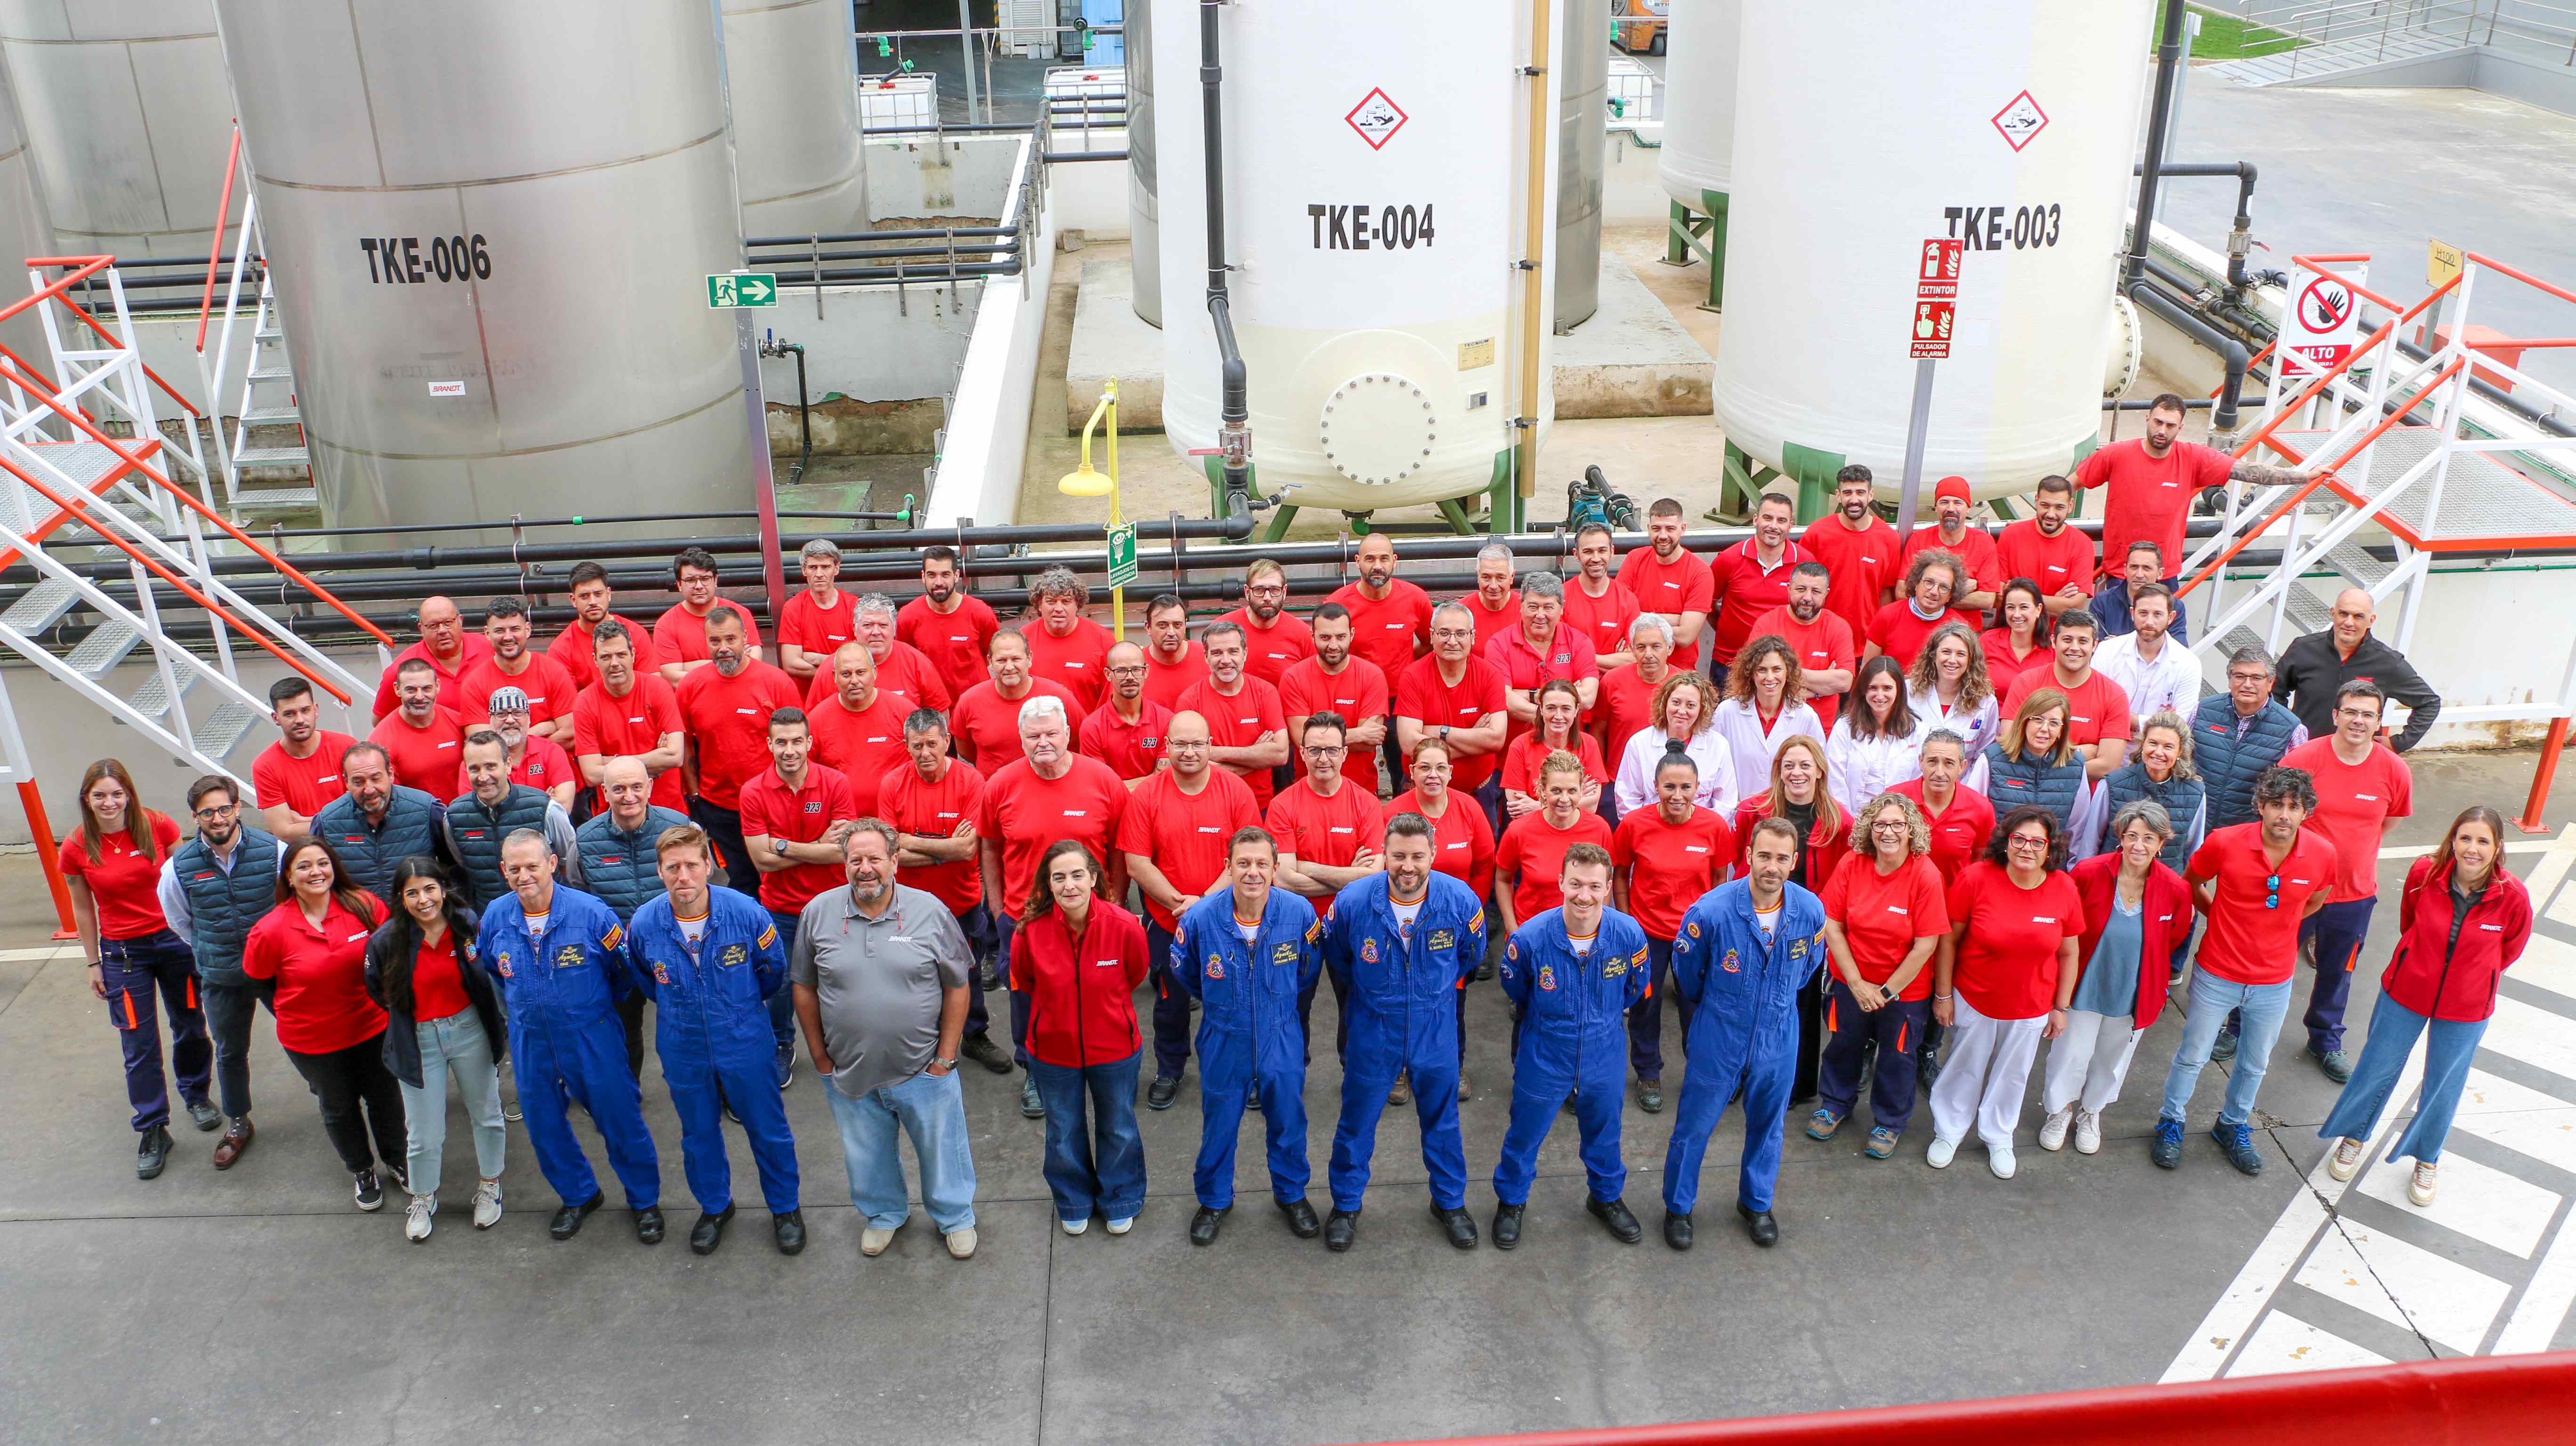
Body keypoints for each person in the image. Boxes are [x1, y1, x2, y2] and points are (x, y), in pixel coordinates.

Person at [2319, 806, 2532, 1205]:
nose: (2472, 849)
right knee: (2376, 1068)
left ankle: (2426, 1158)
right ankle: (2354, 1136)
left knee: (2443, 1085)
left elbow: (2509, 950)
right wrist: (2422, 962)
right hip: (2406, 990)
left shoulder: (2513, 898)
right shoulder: (2424, 874)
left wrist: (2473, 976)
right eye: (2465, 838)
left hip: (2467, 1007)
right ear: (2453, 840)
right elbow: (2410, 922)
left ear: (2498, 848)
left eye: (2483, 841)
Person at [795, 819, 979, 1260]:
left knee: (942, 1150)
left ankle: (955, 1217)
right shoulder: (818, 912)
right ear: (844, 864)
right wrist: (820, 1056)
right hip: (849, 1070)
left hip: (922, 1069)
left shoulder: (930, 910)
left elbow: (958, 984)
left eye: (875, 858)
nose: (865, 869)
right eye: (855, 859)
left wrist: (947, 1059)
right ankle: (883, 1215)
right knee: (866, 1154)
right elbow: (803, 985)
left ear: (895, 862)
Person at [482, 829, 665, 1242]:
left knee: (619, 1119)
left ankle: (644, 1201)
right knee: (544, 1125)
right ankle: (579, 1194)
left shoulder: (592, 913)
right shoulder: (496, 916)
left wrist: (590, 1012)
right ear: (504, 872)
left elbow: (623, 975)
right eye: (515, 869)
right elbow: (495, 970)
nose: (524, 875)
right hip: (530, 1038)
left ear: (552, 864)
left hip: (591, 1034)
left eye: (532, 865)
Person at [2152, 766, 2335, 1175]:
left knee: (2255, 1063)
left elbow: (2316, 899)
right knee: (2193, 1055)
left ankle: (2232, 1125)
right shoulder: (2224, 843)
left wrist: (2280, 927)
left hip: (2274, 981)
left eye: (2294, 807)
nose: (2284, 815)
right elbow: (2192, 882)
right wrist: (2218, 916)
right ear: (2261, 807)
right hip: (2217, 974)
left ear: (2307, 812)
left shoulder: (2323, 854)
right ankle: (2171, 1121)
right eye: (2276, 806)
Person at [629, 823, 802, 1256]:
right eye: (673, 868)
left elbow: (773, 973)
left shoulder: (747, 914)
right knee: (697, 1133)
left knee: (768, 1128)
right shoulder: (646, 923)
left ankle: (785, 1208)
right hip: (682, 1043)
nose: (682, 876)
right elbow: (646, 980)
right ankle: (715, 1206)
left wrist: (735, 1012)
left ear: (709, 865)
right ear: (660, 871)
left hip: (743, 1037)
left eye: (691, 865)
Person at [1320, 813, 1487, 1251]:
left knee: (1444, 1120)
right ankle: (1346, 1205)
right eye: (1398, 856)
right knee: (1356, 1121)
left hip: (1436, 1028)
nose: (1407, 866)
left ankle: (1450, 1203)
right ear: (1384, 855)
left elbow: (1471, 956)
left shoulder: (1461, 901)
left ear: (1433, 854)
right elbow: (1338, 958)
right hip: (1374, 1028)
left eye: (1417, 856)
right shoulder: (1354, 902)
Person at [1662, 817, 1826, 1248]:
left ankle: (1756, 1202)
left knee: (1769, 1126)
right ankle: (1678, 1207)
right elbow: (1688, 974)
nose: (1771, 867)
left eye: (1781, 858)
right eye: (1764, 856)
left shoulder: (1810, 910)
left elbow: (1809, 967)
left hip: (1779, 1033)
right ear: (1749, 857)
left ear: (1794, 862)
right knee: (1694, 1126)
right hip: (1720, 1032)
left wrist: (1774, 1001)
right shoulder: (1711, 912)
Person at [975, 695, 1131, 1117]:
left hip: (1092, 916)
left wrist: (1115, 898)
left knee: (1098, 992)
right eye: (1033, 736)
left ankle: (1103, 1065)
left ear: (1067, 733)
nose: (1043, 742)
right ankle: (1033, 1071)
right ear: (1021, 740)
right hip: (1024, 918)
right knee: (1027, 998)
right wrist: (996, 908)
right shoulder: (1000, 785)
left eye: (1051, 733)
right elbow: (989, 848)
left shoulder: (1103, 780)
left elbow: (1119, 846)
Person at [1491, 844, 1650, 1248]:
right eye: (1576, 883)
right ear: (1560, 881)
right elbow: (1517, 988)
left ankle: (1606, 1198)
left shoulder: (1629, 935)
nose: (1584, 895)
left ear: (1608, 887)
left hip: (1605, 1049)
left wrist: (1600, 1020)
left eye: (1595, 886)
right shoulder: (1530, 939)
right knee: (1525, 1132)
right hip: (1546, 1049)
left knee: (1606, 1131)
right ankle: (1511, 1202)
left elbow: (1634, 988)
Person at [1170, 829, 1320, 1244]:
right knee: (1220, 1121)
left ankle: (1291, 1193)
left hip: (1282, 1032)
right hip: (1223, 1034)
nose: (1252, 873)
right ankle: (1215, 1199)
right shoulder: (1201, 919)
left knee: (1289, 1117)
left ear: (1276, 869)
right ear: (1228, 868)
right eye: (1243, 863)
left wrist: (1277, 1007)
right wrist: (1227, 1007)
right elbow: (1187, 973)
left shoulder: (1300, 913)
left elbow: (1308, 970)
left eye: (1261, 864)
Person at [242, 836, 405, 1209]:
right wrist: (290, 1011)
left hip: (371, 1028)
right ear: (289, 876)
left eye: (323, 863)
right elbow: (258, 979)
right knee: (339, 1106)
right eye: (304, 866)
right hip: (312, 1041)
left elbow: (392, 955)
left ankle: (397, 1160)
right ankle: (361, 1169)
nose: (316, 872)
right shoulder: (271, 929)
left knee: (385, 1098)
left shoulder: (364, 905)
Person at [65, 760, 209, 1178]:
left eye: (116, 794)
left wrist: (199, 938)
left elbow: (188, 882)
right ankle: (152, 1127)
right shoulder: (76, 847)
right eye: (100, 796)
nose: (109, 803)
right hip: (122, 955)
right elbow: (82, 908)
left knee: (190, 1024)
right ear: (87, 800)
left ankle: (197, 1095)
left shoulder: (157, 826)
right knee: (138, 1043)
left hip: (174, 944)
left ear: (128, 794)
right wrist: (93, 962)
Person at [2268, 682, 2414, 1081]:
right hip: (2297, 887)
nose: (2358, 721)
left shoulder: (2393, 770)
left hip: (2354, 895)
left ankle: (2325, 1039)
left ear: (2379, 722)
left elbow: (2390, 822)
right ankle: (2240, 1027)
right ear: (2335, 715)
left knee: (2338, 971)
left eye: (2368, 714)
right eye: (2351, 711)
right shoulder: (2303, 760)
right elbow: (2275, 816)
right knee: (2267, 962)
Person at [1928, 805, 2084, 1179]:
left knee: (2012, 1075)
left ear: (2050, 849)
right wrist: (1944, 994)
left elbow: (2070, 951)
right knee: (1964, 1067)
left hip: (2032, 1005)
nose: (2026, 848)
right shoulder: (1974, 879)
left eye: (2037, 842)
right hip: (1975, 998)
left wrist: (2061, 1007)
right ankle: (1948, 1131)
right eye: (2019, 839)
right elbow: (1949, 941)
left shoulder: (2063, 887)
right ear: (2005, 842)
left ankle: (1999, 1135)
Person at [1120, 710, 1261, 1108]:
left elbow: (1247, 858)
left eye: (1198, 743)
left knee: (1236, 999)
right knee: (1170, 1004)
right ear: (1166, 748)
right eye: (1180, 744)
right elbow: (1137, 862)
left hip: (1230, 920)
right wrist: (1179, 905)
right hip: (1169, 921)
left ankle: (1243, 1070)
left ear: (1210, 746)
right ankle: (1170, 1068)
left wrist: (1203, 904)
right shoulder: (1147, 795)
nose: (1189, 752)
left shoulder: (1235, 791)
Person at [1014, 840, 1153, 1236]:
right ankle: (1073, 1199)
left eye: (1078, 875)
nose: (1069, 885)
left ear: (1094, 878)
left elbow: (1134, 974)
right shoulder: (1030, 933)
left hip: (1115, 1049)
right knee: (1062, 1129)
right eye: (1059, 877)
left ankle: (1120, 1197)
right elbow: (1026, 981)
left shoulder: (1125, 926)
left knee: (1119, 1126)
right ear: (1048, 885)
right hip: (1052, 1052)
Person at [364, 857, 507, 1241]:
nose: (424, 899)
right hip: (418, 1039)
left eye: (430, 888)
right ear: (401, 898)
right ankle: (424, 1197)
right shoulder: (385, 941)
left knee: (487, 1114)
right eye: (412, 892)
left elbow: (488, 974)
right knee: (424, 1133)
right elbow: (378, 988)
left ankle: (491, 1186)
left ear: (443, 888)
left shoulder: (468, 925)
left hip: (469, 1030)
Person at [2044, 800, 2191, 1157]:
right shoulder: (2089, 873)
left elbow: (2175, 936)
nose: (2139, 846)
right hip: (2084, 986)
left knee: (2111, 1060)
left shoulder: (2175, 888)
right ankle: (2059, 1111)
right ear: (2121, 838)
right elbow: (2064, 929)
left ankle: (2091, 1113)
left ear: (2162, 844)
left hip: (2134, 992)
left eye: (2149, 838)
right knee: (2071, 1054)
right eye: (2132, 836)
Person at [1815, 794, 1948, 1159]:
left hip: (1903, 991)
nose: (1888, 832)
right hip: (1851, 983)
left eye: (1897, 825)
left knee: (1898, 1057)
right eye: (1880, 824)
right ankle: (1834, 1105)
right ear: (1869, 830)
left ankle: (1889, 1123)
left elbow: (1925, 945)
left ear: (1911, 831)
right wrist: (1857, 984)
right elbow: (1832, 925)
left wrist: (1885, 992)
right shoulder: (1852, 863)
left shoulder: (1925, 874)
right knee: (1843, 1046)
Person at [2077, 391, 2304, 600]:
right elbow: (2069, 486)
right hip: (2120, 574)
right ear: (2148, 419)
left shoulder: (2192, 458)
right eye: (2158, 422)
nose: (2162, 431)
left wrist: (2303, 477)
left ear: (2181, 427)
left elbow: (2246, 471)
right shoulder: (2116, 454)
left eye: (2170, 425)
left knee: (2160, 642)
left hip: (2164, 577)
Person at [877, 711, 1007, 1077]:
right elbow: (890, 853)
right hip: (908, 906)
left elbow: (969, 851)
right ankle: (922, 1043)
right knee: (911, 976)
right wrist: (943, 847)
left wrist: (910, 843)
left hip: (961, 902)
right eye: (917, 746)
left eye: (932, 744)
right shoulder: (892, 784)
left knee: (966, 974)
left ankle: (975, 1035)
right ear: (907, 746)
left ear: (947, 742)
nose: (925, 753)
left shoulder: (971, 780)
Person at [158, 777, 277, 1169]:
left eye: (225, 808)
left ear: (238, 807)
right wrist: (215, 949)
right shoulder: (177, 869)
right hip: (222, 976)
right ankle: (239, 1123)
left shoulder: (275, 851)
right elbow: (181, 923)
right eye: (207, 812)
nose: (218, 817)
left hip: (276, 971)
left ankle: (337, 1104)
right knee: (229, 1052)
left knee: (307, 1040)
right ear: (195, 817)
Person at [738, 707, 859, 1089]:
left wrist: (784, 845)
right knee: (781, 986)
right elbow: (761, 861)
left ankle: (845, 1046)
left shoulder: (836, 784)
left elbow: (842, 852)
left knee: (843, 980)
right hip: (780, 910)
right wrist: (814, 845)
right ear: (769, 744)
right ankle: (781, 1045)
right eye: (781, 742)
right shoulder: (753, 791)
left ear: (809, 743)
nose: (789, 750)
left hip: (833, 906)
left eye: (796, 742)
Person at [1730, 736, 1849, 1105]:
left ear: (1820, 771)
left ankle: (1795, 1085)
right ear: (1778, 772)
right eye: (1788, 766)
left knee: (1799, 1005)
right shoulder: (1753, 810)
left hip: (1804, 927)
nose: (1796, 773)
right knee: (1745, 999)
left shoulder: (1839, 821)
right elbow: (1739, 859)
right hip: (1755, 919)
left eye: (1804, 766)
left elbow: (1840, 878)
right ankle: (1738, 1074)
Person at [1611, 753, 1733, 1112]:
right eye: (1669, 786)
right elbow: (1620, 873)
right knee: (1645, 1007)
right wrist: (1626, 921)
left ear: (1699, 788)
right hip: (1647, 934)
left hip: (1694, 938)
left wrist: (1709, 927)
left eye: (1686, 787)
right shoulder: (1635, 824)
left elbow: (1719, 879)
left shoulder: (1714, 826)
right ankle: (1648, 1073)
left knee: (1696, 1008)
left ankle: (1701, 1075)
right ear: (1656, 787)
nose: (1677, 795)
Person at [574, 756, 692, 1077]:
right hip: (618, 956)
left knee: (694, 1025)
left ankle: (715, 1091)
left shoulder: (679, 828)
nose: (629, 796)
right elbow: (579, 897)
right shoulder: (584, 841)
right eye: (619, 789)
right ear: (604, 792)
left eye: (637, 787)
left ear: (650, 787)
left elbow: (701, 888)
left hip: (677, 948)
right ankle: (627, 1096)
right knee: (624, 1032)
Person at [672, 604, 801, 897]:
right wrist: (695, 796)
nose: (724, 648)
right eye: (715, 641)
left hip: (773, 805)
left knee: (779, 881)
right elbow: (687, 749)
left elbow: (797, 744)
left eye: (731, 639)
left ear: (745, 638)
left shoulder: (777, 682)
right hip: (718, 807)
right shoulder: (690, 686)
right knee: (739, 884)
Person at [1389, 737, 1499, 1052]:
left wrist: (1471, 913)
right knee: (1403, 997)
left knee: (1452, 1000)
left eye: (1440, 768)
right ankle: (1401, 1070)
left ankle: (1454, 1064)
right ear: (1411, 771)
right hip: (1405, 923)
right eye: (1424, 767)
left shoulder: (1470, 809)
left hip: (1454, 925)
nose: (1432, 775)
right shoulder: (1394, 813)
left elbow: (1482, 866)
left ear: (1451, 772)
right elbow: (1385, 870)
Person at [2275, 587, 2443, 753]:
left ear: (2371, 620)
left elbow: (2429, 703)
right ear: (2333, 614)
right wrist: (2286, 730)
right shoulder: (2303, 649)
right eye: (2343, 614)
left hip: (2360, 759)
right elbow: (2274, 691)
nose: (2349, 623)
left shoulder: (2387, 662)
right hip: (2306, 754)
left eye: (2358, 617)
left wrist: (2399, 743)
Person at [1395, 602, 1509, 830]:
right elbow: (1409, 744)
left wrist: (1439, 731)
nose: (1453, 641)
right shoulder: (1413, 676)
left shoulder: (1490, 676)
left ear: (1473, 637)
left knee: (1482, 862)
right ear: (1432, 635)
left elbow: (1496, 740)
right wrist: (1475, 739)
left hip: (1479, 794)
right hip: (1420, 796)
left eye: (1461, 634)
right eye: (1444, 633)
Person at [443, 728, 580, 910]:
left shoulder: (546, 810)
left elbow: (569, 863)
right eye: (474, 769)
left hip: (549, 914)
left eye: (491, 766)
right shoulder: (454, 818)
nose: (483, 777)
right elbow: (462, 864)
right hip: (491, 920)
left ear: (508, 765)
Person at [2093, 711, 2207, 910]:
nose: (2159, 752)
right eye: (2153, 743)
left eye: (2168, 747)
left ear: (2180, 751)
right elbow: (2089, 843)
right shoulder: (2113, 784)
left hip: (2165, 894)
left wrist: (2188, 898)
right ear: (2142, 744)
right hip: (2111, 888)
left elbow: (2193, 853)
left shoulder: (2195, 792)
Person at [570, 620, 687, 813]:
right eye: (606, 657)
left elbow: (676, 756)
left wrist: (611, 761)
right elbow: (591, 774)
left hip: (667, 810)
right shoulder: (585, 703)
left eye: (621, 655)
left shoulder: (659, 689)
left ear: (633, 654)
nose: (615, 663)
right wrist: (654, 762)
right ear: (595, 659)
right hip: (613, 815)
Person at [2002, 610, 2133, 783]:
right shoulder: (2026, 683)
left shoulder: (2114, 695)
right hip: (2025, 791)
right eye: (2067, 640)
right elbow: (2009, 745)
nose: (2075, 648)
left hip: (2084, 801)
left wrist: (2043, 760)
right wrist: (2080, 753)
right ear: (2054, 641)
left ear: (2095, 645)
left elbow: (2108, 766)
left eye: (2083, 641)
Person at [309, 744, 447, 908]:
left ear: (390, 774)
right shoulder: (328, 822)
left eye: (376, 778)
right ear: (346, 781)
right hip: (361, 923)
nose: (369, 789)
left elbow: (453, 868)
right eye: (359, 782)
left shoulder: (427, 811)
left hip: (419, 918)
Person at [1494, 752, 1616, 937]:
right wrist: (1513, 930)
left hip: (1582, 935)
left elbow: (1606, 883)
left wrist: (1597, 925)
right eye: (1557, 791)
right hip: (1532, 934)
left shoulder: (1600, 829)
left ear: (1582, 790)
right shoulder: (1519, 830)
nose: (1565, 799)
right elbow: (1503, 880)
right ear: (1543, 790)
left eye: (1572, 791)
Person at [1177, 619, 1291, 813]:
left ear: (1245, 653)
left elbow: (1280, 754)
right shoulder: (1190, 701)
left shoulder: (1266, 693)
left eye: (1233, 651)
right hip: (1211, 808)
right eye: (1216, 653)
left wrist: (1213, 752)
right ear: (1205, 657)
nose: (1226, 660)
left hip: (1259, 806)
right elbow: (1190, 764)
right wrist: (1255, 756)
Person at [1281, 604, 1391, 796]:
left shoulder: (1372, 676)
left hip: (1361, 791)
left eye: (1341, 637)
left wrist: (1317, 741)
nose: (1333, 646)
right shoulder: (1294, 677)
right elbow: (1301, 740)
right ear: (1312, 635)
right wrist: (1359, 734)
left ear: (1352, 634)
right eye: (1325, 637)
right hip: (1308, 791)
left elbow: (1370, 742)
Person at [2196, 643, 2307, 831]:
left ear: (2271, 683)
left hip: (2248, 833)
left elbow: (2294, 791)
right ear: (2230, 680)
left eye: (2256, 678)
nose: (2247, 685)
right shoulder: (2202, 711)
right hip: (2196, 825)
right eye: (2240, 676)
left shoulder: (2292, 729)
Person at [1709, 635, 1825, 804]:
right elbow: (1712, 765)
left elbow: (1819, 770)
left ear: (1788, 672)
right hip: (1737, 814)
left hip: (1787, 817)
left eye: (1777, 669)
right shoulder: (1727, 712)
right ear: (1751, 674)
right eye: (1762, 670)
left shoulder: (1806, 717)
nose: (1770, 677)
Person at [1488, 571, 1599, 747]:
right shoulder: (1498, 644)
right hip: (1512, 757)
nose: (1540, 615)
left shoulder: (1580, 642)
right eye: (1533, 607)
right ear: (1521, 605)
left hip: (1568, 757)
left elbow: (1588, 697)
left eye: (1548, 608)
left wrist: (1526, 695)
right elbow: (1504, 699)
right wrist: (1561, 706)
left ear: (1562, 608)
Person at [1707, 492, 1812, 671]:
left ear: (1791, 526)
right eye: (1767, 518)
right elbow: (1708, 606)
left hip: (1783, 666)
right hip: (1730, 663)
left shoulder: (1805, 563)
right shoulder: (1728, 559)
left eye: (1781, 521)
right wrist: (1730, 632)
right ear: (1756, 520)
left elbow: (1811, 612)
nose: (1773, 526)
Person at [1612, 669, 1736, 817]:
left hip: (1701, 833)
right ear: (1665, 703)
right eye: (1676, 703)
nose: (1682, 711)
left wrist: (1701, 830)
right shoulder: (1639, 743)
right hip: (1650, 830)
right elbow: (1627, 799)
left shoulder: (1719, 745)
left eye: (1691, 705)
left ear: (1702, 709)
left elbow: (1725, 803)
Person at [805, 644, 914, 811]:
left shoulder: (905, 713)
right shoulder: (816, 720)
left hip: (897, 820)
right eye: (846, 674)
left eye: (861, 672)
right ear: (834, 677)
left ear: (875, 673)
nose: (854, 681)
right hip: (842, 823)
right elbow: (807, 777)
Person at [950, 629, 1082, 767]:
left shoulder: (1059, 697)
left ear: (1029, 658)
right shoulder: (970, 701)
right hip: (993, 787)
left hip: (1047, 785)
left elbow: (1077, 741)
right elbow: (965, 749)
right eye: (1001, 660)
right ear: (990, 661)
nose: (1009, 667)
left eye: (1016, 659)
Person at [1798, 464, 1902, 637]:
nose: (1854, 500)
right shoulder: (1816, 534)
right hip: (1822, 637)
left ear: (1871, 495)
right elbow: (1799, 588)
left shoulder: (1889, 539)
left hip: (1868, 639)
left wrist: (1882, 635)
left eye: (1860, 492)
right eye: (1848, 493)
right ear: (1838, 496)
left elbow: (1886, 593)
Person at [1751, 562, 1857, 730]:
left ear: (1826, 594)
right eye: (1801, 589)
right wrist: (1820, 690)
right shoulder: (1767, 624)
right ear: (1789, 588)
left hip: (1822, 731)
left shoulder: (1838, 627)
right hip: (1772, 727)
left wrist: (1785, 678)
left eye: (1816, 591)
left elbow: (1844, 682)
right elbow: (1756, 676)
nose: (1807, 598)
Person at [1984, 689, 2096, 843]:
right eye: (2038, 720)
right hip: (2000, 857)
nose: (2044, 729)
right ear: (2025, 721)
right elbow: (1975, 813)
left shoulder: (2075, 765)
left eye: (2054, 723)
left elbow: (2077, 826)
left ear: (2061, 731)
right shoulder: (1992, 759)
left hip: (2050, 861)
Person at [458, 597, 578, 740]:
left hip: (550, 762)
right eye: (500, 631)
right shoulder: (475, 683)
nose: (508, 637)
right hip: (502, 763)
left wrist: (513, 741)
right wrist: (540, 730)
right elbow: (483, 746)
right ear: (487, 634)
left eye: (515, 629)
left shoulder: (554, 671)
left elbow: (570, 735)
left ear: (527, 630)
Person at [1618, 497, 1714, 672]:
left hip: (1679, 673)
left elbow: (1686, 636)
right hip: (1635, 668)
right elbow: (1618, 615)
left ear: (1682, 529)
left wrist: (1639, 618)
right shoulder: (1635, 559)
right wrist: (1675, 619)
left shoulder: (1700, 572)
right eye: (1656, 529)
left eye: (1670, 529)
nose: (1663, 536)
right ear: (1648, 529)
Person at [896, 545, 1001, 702]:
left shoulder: (981, 613)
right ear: (923, 576)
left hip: (975, 704)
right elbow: (906, 663)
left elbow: (992, 655)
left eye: (945, 575)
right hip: (931, 710)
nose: (939, 582)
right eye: (932, 575)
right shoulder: (907, 617)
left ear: (956, 575)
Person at [1892, 730, 1996, 887]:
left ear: (1962, 767)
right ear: (1921, 762)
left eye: (1949, 763)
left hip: (1952, 904)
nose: (1939, 773)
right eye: (1933, 762)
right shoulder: (1894, 800)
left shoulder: (1980, 808)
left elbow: (1982, 862)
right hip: (1900, 899)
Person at [251, 677, 351, 835]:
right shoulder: (265, 766)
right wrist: (341, 822)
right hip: (304, 854)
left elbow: (361, 816)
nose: (300, 720)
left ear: (316, 710)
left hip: (351, 846)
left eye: (305, 710)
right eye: (289, 714)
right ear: (276, 718)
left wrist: (308, 821)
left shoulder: (346, 747)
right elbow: (284, 832)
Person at [368, 594, 492, 722]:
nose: (442, 631)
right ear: (421, 629)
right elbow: (381, 722)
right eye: (433, 626)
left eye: (448, 623)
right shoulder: (401, 671)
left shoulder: (491, 649)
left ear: (460, 621)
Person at [1501, 679, 1610, 820]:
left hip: (1579, 828)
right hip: (1533, 830)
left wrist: (1537, 806)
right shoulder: (1520, 745)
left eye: (1566, 709)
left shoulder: (1589, 744)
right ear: (1540, 708)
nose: (1558, 716)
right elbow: (1518, 809)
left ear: (1577, 710)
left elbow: (1591, 806)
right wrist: (1576, 800)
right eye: (1551, 708)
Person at [1826, 656, 1923, 812]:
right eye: (1873, 688)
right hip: (1851, 823)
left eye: (1887, 688)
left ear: (1899, 690)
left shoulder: (1917, 730)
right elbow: (1834, 782)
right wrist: (1849, 825)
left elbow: (1918, 782)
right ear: (1863, 690)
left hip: (1900, 824)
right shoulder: (1845, 728)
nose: (1879, 695)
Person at [546, 560, 662, 691]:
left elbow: (653, 687)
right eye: (585, 596)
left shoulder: (635, 633)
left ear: (608, 594)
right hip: (589, 711)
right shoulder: (561, 649)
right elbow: (567, 703)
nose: (593, 602)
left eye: (598, 594)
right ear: (574, 600)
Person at [654, 545, 763, 684]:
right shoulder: (666, 625)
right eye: (691, 580)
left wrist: (690, 665)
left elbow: (754, 663)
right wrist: (729, 661)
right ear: (679, 585)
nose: (699, 586)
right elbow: (673, 678)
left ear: (715, 580)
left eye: (705, 579)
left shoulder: (740, 614)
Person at [1992, 474, 2097, 619]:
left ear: (2071, 506)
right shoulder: (2011, 535)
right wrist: (2053, 601)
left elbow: (2075, 606)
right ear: (2036, 501)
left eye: (2059, 507)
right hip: (2011, 629)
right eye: (2045, 506)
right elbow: (1997, 597)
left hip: (2055, 635)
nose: (2051, 514)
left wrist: (2018, 596)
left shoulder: (2082, 545)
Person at [1907, 621, 1999, 781]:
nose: (1952, 660)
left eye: (1961, 654)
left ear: (1971, 660)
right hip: (1910, 787)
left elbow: (1984, 755)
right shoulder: (1908, 692)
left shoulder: (1985, 701)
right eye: (1946, 652)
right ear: (1933, 655)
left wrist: (1965, 791)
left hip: (1960, 790)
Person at [2092, 584, 2198, 723]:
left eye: (2158, 614)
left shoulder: (2189, 663)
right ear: (2132, 614)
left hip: (2159, 743)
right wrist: (2158, 721)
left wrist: (2118, 716)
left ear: (2171, 618)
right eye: (2143, 613)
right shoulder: (2107, 650)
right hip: (2107, 739)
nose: (2149, 622)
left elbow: (2179, 724)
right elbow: (2095, 709)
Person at [459, 687, 578, 810]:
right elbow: (472, 811)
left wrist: (499, 806)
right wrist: (543, 800)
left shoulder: (552, 751)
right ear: (491, 720)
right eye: (501, 714)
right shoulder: (475, 759)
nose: (510, 720)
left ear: (529, 718)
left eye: (518, 713)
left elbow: (564, 806)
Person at [370, 659, 472, 799]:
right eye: (411, 690)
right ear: (397, 689)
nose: (419, 697)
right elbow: (390, 798)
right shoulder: (381, 740)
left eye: (427, 689)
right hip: (420, 818)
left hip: (465, 814)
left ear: (437, 686)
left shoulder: (459, 722)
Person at [1896, 477, 1999, 614]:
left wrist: (1928, 595)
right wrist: (1960, 589)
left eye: (1958, 503)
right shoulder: (1919, 540)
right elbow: (1902, 592)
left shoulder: (1984, 542)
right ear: (1936, 507)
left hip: (1964, 631)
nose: (1951, 509)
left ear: (1968, 508)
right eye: (1944, 502)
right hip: (1922, 625)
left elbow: (1987, 600)